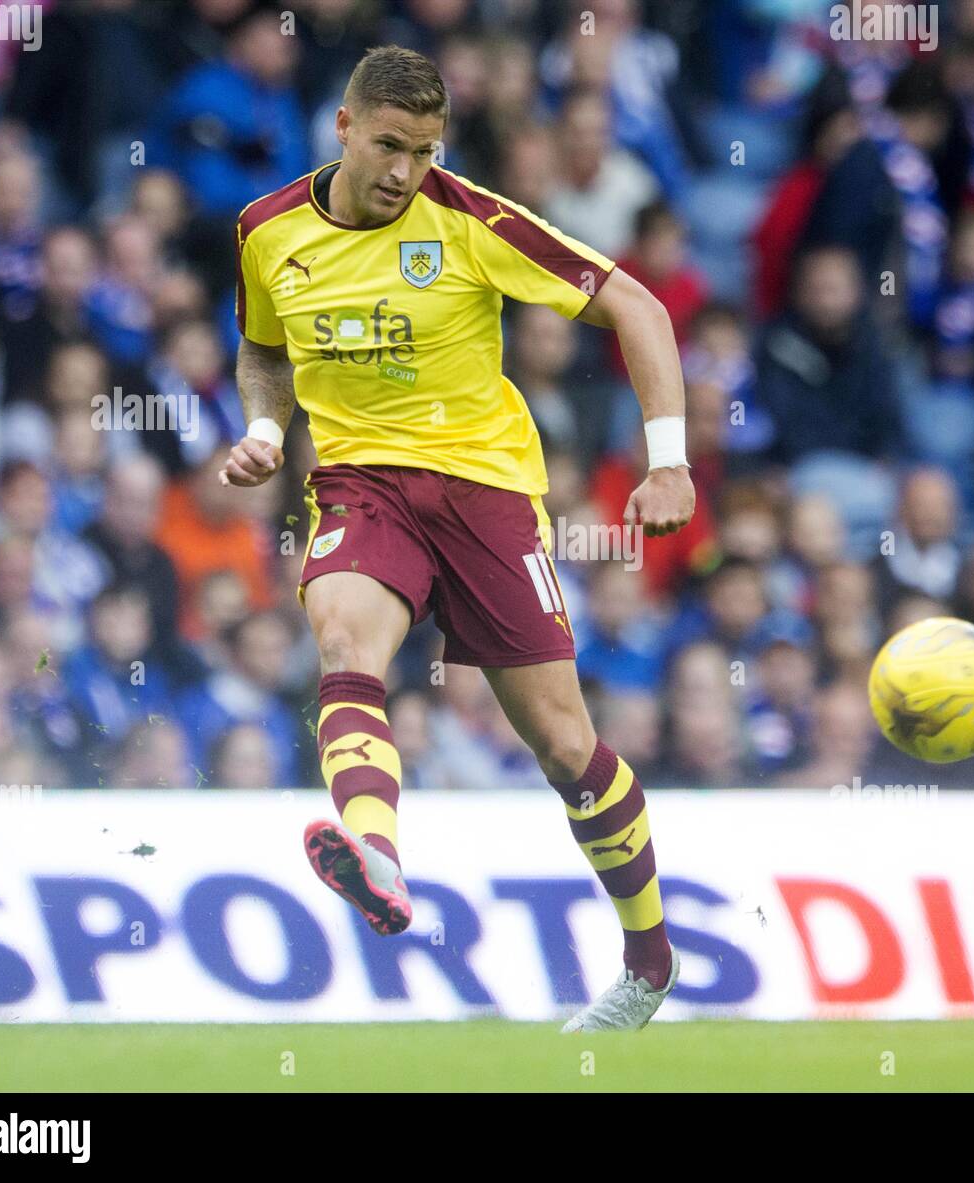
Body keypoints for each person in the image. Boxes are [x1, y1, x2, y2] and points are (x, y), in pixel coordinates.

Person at [221, 46, 693, 1032]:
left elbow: (636, 307)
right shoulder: (267, 232)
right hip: (360, 484)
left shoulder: (471, 220)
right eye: (389, 146)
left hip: (485, 496)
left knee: (566, 745)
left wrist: (669, 458)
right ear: (343, 128)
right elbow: (262, 349)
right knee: (345, 643)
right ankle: (379, 856)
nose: (404, 172)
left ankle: (649, 960)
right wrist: (267, 429)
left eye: (425, 151)